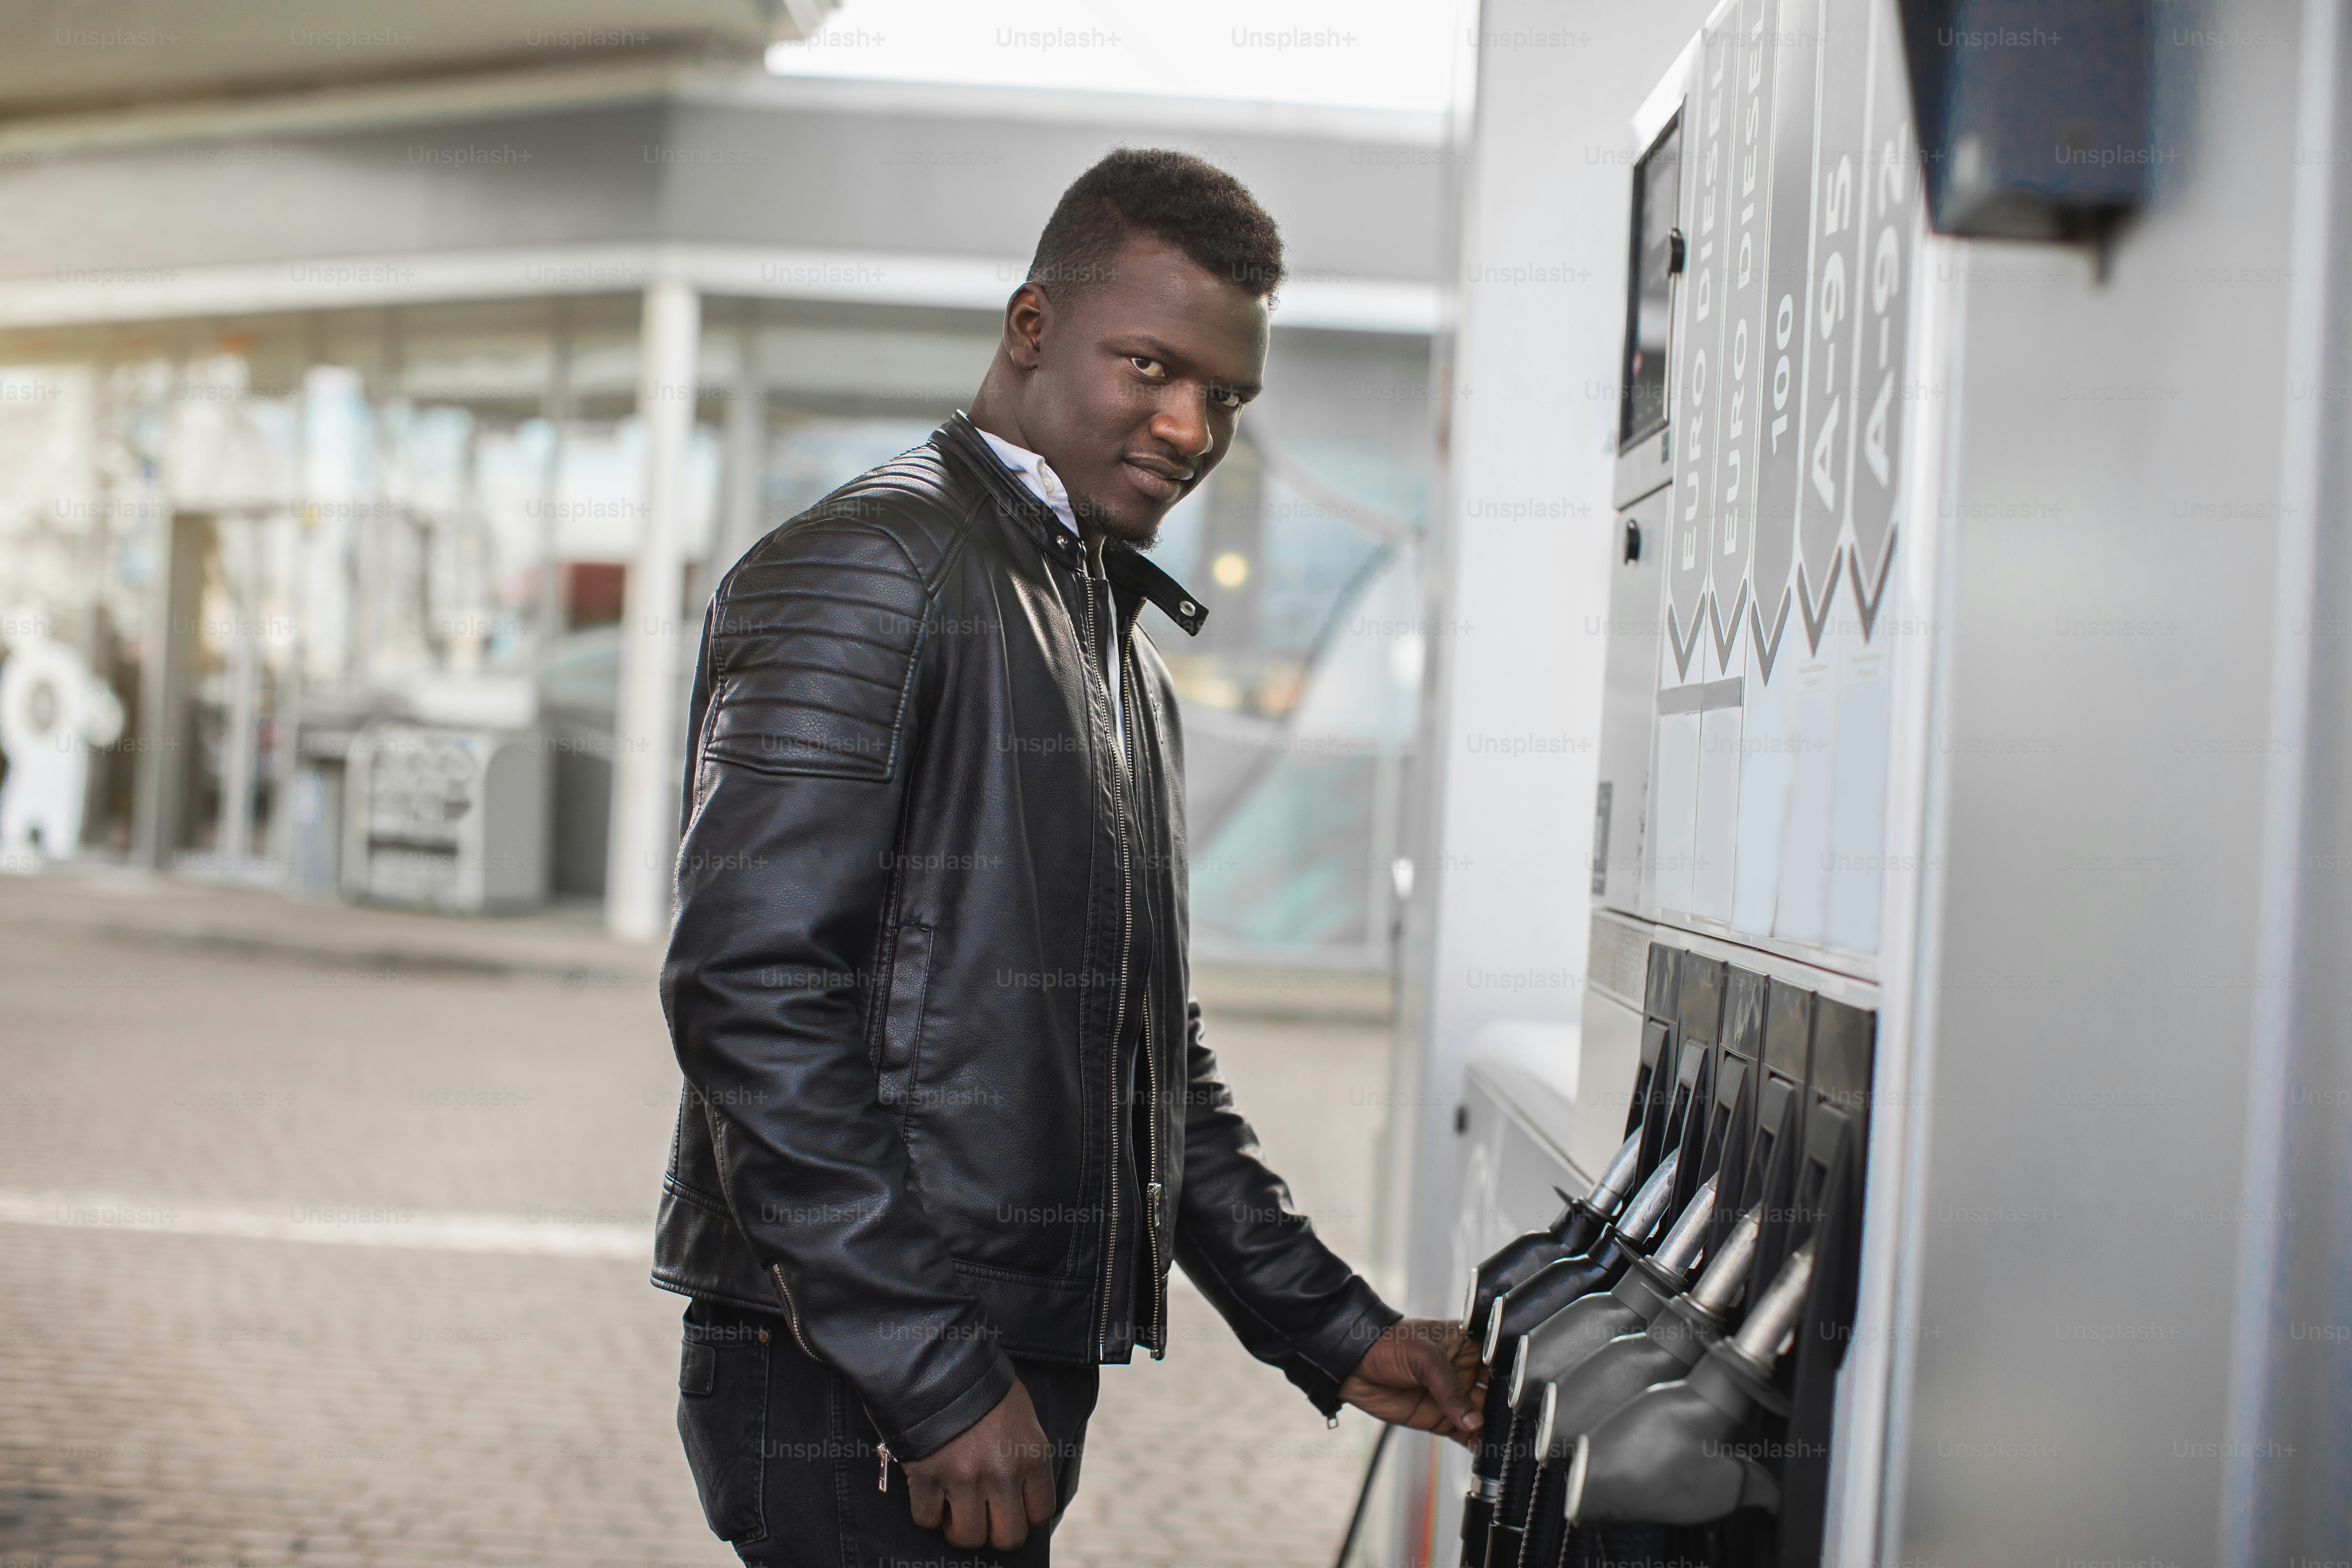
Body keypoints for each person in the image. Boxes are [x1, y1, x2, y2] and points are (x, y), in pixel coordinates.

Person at [655, 147, 1481, 1567]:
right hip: (863, 1376)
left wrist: (1336, 1329)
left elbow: (1144, 1065)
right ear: (1031, 328)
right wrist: (928, 1367)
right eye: (1151, 366)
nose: (1188, 425)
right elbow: (750, 984)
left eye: (1225, 396)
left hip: (978, 1367)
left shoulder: (1108, 642)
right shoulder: (874, 569)